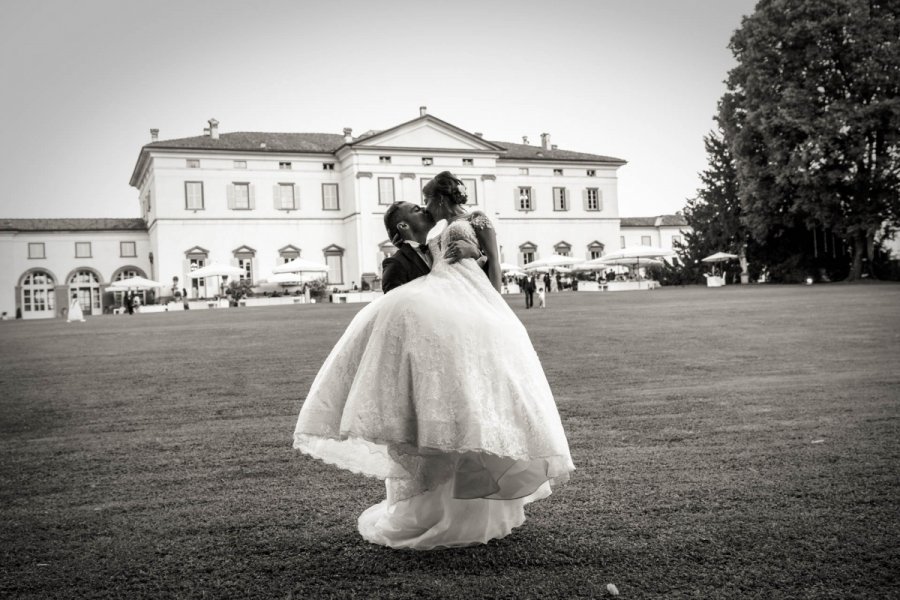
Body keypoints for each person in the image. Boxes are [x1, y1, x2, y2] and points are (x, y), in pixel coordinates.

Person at [293, 171, 574, 550]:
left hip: (468, 304)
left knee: (470, 400)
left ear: (438, 198)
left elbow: (492, 278)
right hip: (445, 304)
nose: (423, 206)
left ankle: (470, 505)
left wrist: (479, 253)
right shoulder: (437, 232)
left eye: (424, 199)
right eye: (417, 205)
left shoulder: (475, 220)